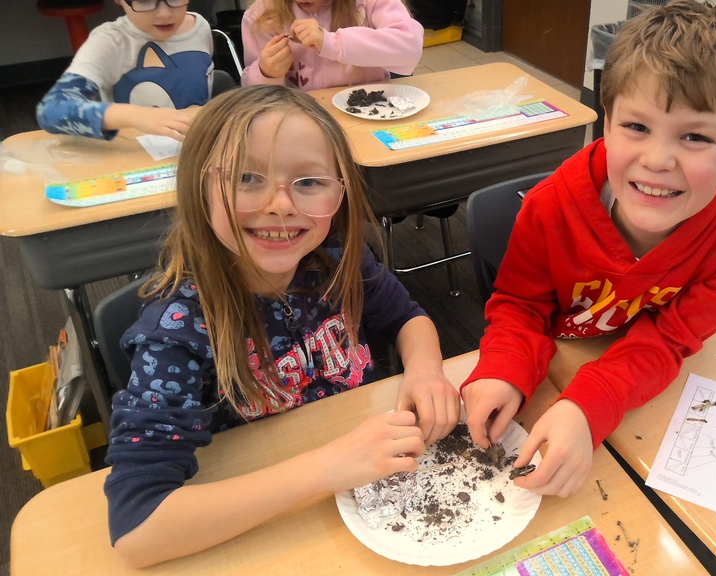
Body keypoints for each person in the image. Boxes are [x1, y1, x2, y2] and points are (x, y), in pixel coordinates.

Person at [103, 85, 460, 568]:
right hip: (276, 518)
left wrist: (426, 372)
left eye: (309, 182)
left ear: (340, 191)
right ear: (198, 187)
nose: (280, 204)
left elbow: (406, 318)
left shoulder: (337, 261)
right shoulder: (176, 333)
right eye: (247, 177)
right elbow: (137, 526)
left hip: (369, 490)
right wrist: (326, 468)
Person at [461, 0, 716, 498]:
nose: (658, 160)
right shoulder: (550, 207)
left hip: (631, 385)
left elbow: (671, 338)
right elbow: (520, 306)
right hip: (559, 357)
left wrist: (588, 405)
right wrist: (504, 371)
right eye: (636, 127)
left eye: (696, 136)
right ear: (606, 120)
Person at [36, 0, 213, 141]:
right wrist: (135, 115)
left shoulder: (200, 27)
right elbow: (51, 111)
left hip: (196, 148)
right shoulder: (110, 42)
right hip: (138, 157)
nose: (164, 13)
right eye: (144, 1)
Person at [240, 0, 423, 91]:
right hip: (299, 123)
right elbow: (252, 96)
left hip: (370, 111)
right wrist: (266, 73)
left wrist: (332, 43)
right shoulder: (260, 16)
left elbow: (410, 46)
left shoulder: (369, 3)